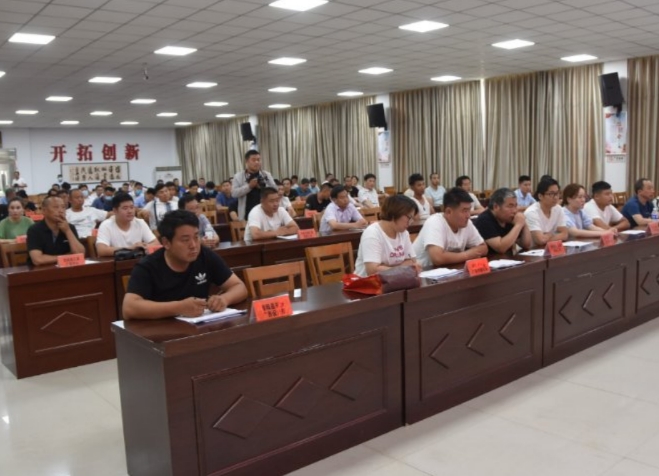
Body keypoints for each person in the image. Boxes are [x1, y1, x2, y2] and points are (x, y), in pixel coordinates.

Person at [122, 210, 247, 320]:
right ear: (166, 243)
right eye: (185, 240)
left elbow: (239, 287)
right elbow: (129, 308)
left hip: (200, 329)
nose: (193, 245)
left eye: (196, 237)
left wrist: (224, 299)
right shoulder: (148, 266)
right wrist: (179, 307)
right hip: (160, 333)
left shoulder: (205, 255)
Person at [413, 188, 487, 267]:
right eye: (464, 211)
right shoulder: (434, 222)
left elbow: (483, 248)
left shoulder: (466, 223)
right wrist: (467, 255)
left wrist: (458, 256)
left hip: (450, 269)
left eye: (469, 210)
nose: (468, 215)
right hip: (423, 271)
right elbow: (437, 258)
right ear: (448, 212)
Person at [354, 195, 420, 276]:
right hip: (367, 282)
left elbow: (412, 261)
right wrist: (401, 268)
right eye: (409, 217)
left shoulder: (403, 233)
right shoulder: (372, 233)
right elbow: (372, 271)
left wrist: (385, 267)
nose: (411, 222)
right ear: (395, 213)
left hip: (395, 280)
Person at [27, 196, 85, 265]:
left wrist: (67, 231)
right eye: (56, 207)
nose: (61, 211)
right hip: (43, 269)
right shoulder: (35, 230)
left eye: (63, 207)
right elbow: (38, 260)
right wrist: (67, 257)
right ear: (44, 210)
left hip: (67, 268)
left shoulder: (70, 227)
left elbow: (80, 254)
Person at [474, 188, 532, 254]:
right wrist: (518, 225)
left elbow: (526, 245)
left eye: (515, 206)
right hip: (490, 259)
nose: (515, 210)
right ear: (496, 207)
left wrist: (523, 222)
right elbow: (500, 248)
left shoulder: (509, 218)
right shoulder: (484, 220)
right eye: (510, 206)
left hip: (508, 259)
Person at [231, 150, 277, 221]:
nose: (257, 162)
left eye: (258, 160)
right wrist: (249, 186)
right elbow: (234, 193)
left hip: (265, 211)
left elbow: (275, 190)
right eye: (253, 160)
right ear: (246, 161)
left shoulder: (266, 174)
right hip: (247, 213)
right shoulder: (238, 176)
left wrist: (263, 187)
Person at [524, 178, 568, 246]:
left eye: (557, 193)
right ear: (540, 196)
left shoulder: (558, 208)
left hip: (551, 247)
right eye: (551, 194)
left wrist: (549, 236)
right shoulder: (531, 212)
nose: (556, 197)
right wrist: (553, 235)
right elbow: (540, 240)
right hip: (533, 250)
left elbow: (565, 234)